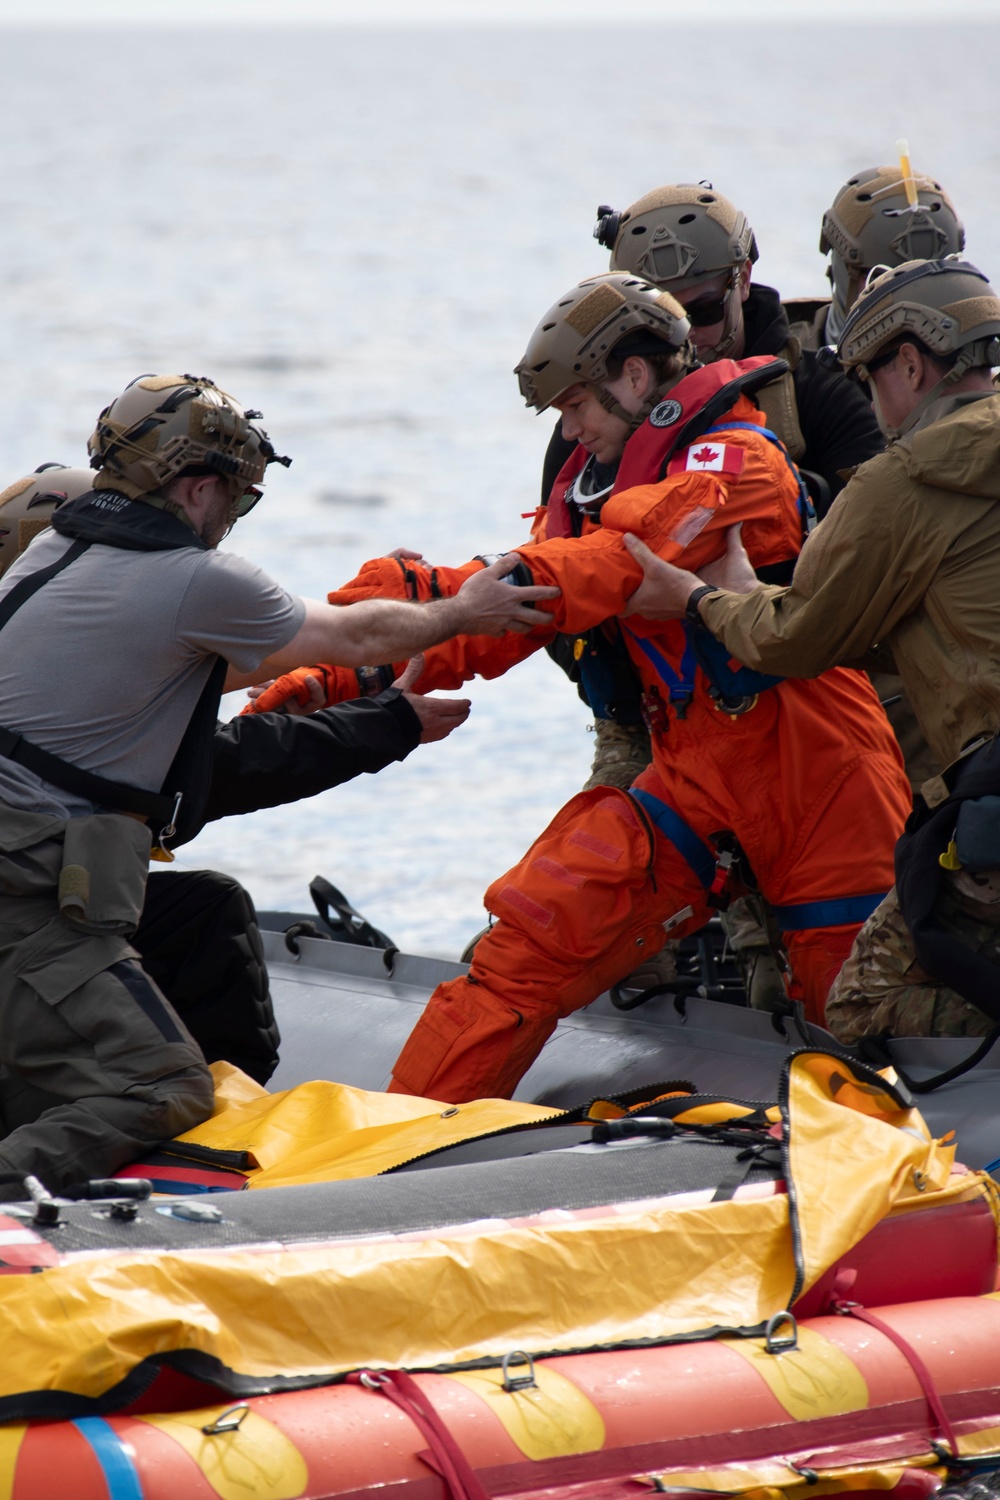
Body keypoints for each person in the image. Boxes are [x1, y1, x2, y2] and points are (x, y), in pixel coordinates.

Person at [254, 272, 908, 1101]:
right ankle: (396, 1144)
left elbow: (616, 567)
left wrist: (499, 583)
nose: (571, 432)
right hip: (696, 777)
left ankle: (886, 1168)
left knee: (849, 1022)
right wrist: (342, 669)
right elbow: (507, 608)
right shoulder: (595, 496)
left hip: (823, 778)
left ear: (635, 377)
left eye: (575, 408)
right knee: (526, 949)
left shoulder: (737, 461)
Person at [0, 374, 557, 1192]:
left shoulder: (54, 555)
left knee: (206, 911)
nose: (231, 521)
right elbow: (353, 632)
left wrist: (375, 709)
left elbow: (197, 674)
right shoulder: (194, 579)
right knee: (166, 1086)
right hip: (23, 896)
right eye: (236, 500)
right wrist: (459, 614)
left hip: (29, 875)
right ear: (195, 487)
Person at [616, 257, 1000, 1045]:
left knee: (859, 1005)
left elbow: (796, 637)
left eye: (871, 376)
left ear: (911, 361)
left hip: (992, 794)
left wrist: (698, 599)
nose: (870, 400)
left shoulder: (905, 480)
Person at [0, 465, 473, 1089]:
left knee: (203, 908)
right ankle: (175, 1117)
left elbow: (214, 676)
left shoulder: (43, 629)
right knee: (199, 938)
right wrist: (382, 723)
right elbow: (214, 771)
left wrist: (362, 643)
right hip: (28, 912)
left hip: (43, 893)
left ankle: (212, 1115)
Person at [785, 165, 965, 352]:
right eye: (882, 279)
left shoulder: (973, 371)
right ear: (845, 274)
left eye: (934, 279)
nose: (914, 301)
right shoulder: (776, 364)